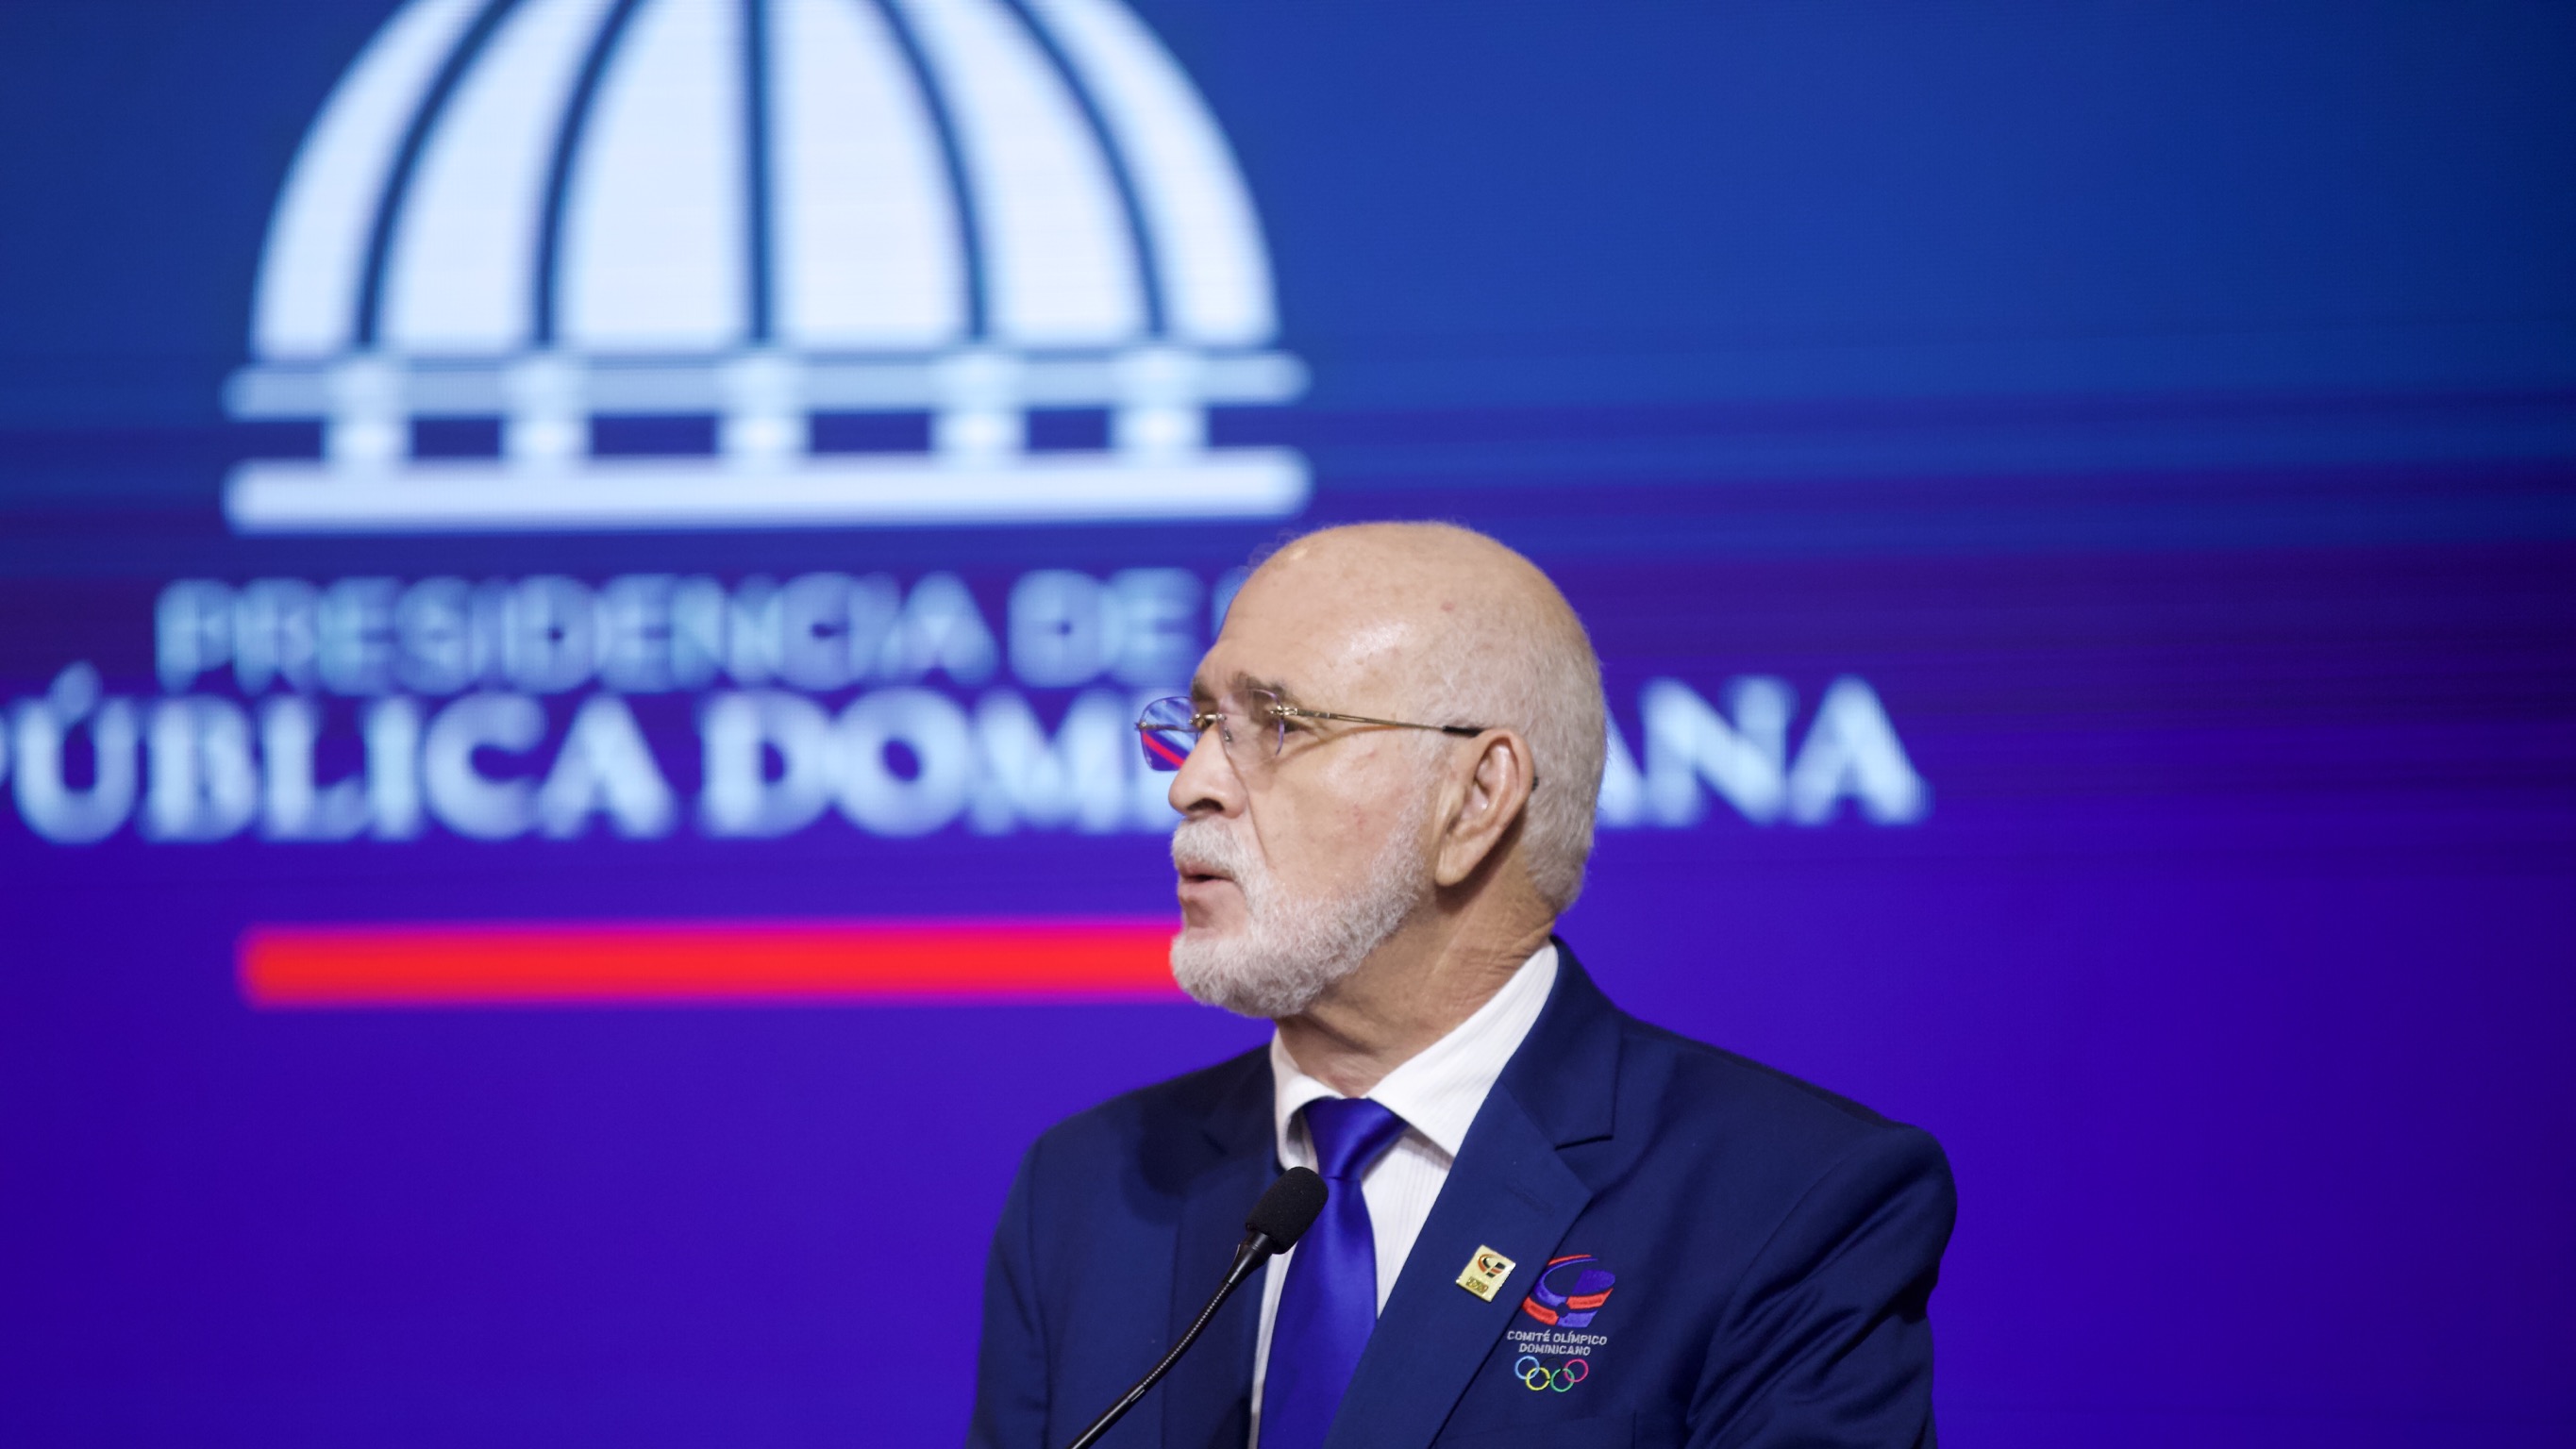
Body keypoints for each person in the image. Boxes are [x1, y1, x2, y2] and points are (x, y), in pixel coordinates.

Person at [968, 524, 1954, 1449]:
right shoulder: (1091, 1189)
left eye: (1275, 724)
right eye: (1201, 724)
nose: (1191, 783)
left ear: (1477, 797)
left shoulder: (1787, 1199)